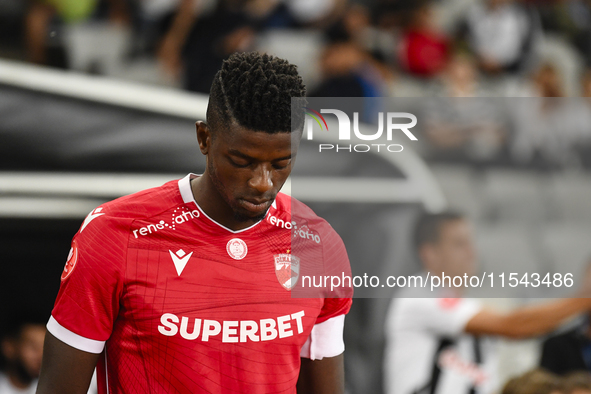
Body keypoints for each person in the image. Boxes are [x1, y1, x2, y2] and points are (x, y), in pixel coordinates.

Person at [36, 52, 353, 394]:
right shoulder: (116, 234)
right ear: (204, 139)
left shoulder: (317, 245)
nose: (263, 182)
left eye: (280, 163)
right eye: (242, 161)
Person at [384, 211, 591, 394]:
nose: (471, 252)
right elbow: (513, 326)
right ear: (429, 253)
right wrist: (583, 300)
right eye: (459, 244)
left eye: (470, 242)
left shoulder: (467, 306)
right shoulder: (420, 297)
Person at [0, 316, 46, 394]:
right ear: (9, 348)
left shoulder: (50, 389)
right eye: (34, 348)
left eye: (44, 348)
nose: (40, 356)